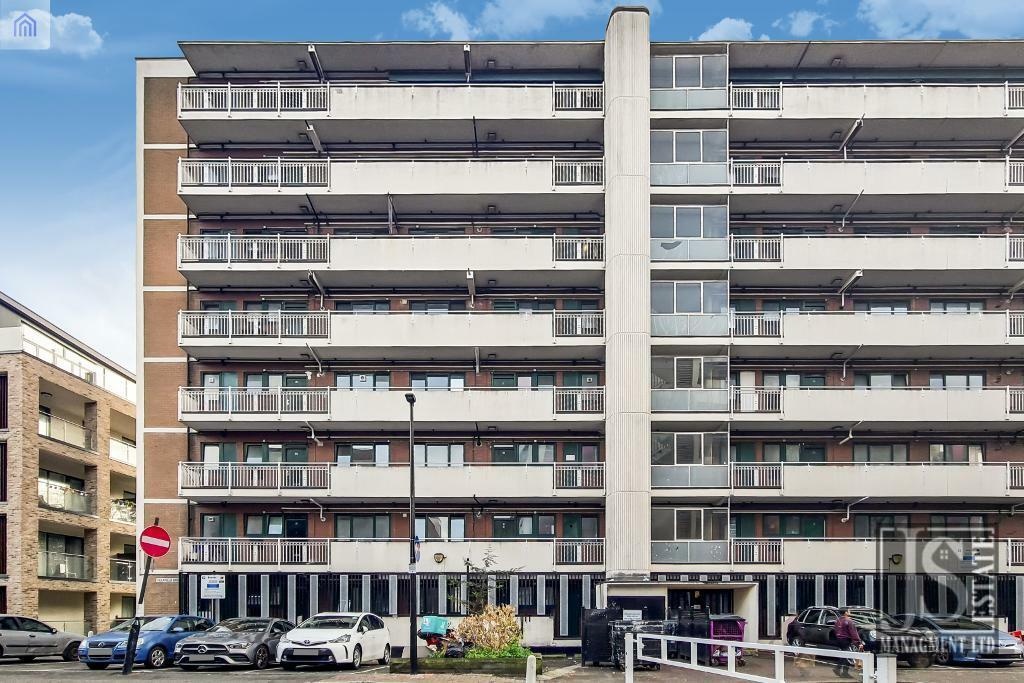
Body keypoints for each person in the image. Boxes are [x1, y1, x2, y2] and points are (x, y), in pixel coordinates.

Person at [832, 608, 863, 679]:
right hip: (846, 640)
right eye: (849, 611)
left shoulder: (837, 620)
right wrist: (859, 642)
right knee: (848, 655)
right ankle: (842, 671)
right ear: (846, 612)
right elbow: (854, 633)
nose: (850, 612)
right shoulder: (849, 621)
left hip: (839, 640)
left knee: (844, 654)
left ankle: (840, 670)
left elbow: (835, 630)